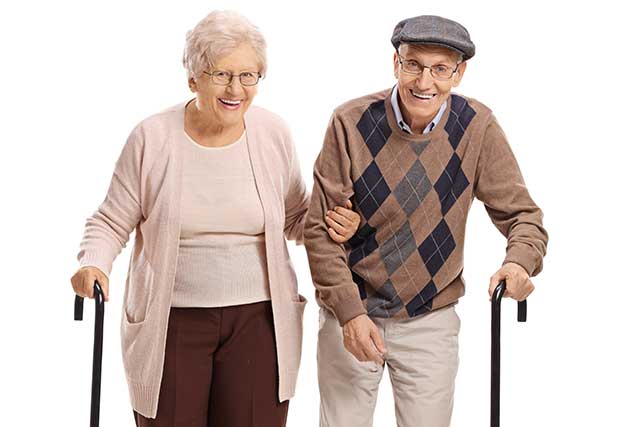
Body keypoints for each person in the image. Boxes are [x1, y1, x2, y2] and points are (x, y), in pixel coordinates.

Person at [70, 10, 360, 427]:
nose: (235, 89)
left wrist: (335, 222)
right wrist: (92, 263)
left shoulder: (272, 132)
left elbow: (296, 216)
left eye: (248, 76)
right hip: (171, 319)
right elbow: (112, 220)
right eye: (221, 74)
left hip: (260, 319)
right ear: (193, 78)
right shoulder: (153, 137)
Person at [303, 15, 549, 427]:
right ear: (395, 63)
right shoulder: (349, 122)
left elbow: (523, 216)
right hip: (352, 311)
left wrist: (519, 262)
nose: (424, 82)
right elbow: (318, 230)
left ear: (459, 72)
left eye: (440, 69)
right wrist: (349, 313)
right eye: (413, 64)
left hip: (429, 320)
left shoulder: (477, 128)